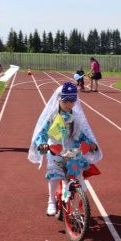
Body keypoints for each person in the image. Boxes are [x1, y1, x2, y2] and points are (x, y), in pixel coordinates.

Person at [28, 82, 102, 216]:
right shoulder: (52, 116)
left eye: (72, 102)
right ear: (59, 100)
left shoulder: (76, 117)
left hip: (71, 149)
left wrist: (91, 144)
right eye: (66, 101)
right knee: (55, 172)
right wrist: (42, 144)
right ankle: (51, 201)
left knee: (77, 176)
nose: (69, 105)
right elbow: (42, 133)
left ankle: (75, 201)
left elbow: (81, 135)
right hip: (55, 147)